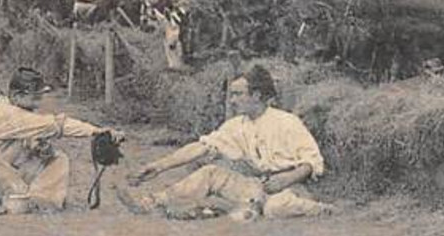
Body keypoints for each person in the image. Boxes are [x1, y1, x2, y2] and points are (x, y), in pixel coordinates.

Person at [117, 65, 332, 221]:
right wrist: (158, 166)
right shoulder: (236, 125)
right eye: (232, 95)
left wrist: (288, 178)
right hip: (257, 186)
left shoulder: (287, 122)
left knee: (275, 209)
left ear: (256, 95)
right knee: (211, 172)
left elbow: (312, 161)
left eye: (238, 94)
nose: (232, 100)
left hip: (292, 188)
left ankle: (321, 209)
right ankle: (150, 203)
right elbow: (201, 147)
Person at [0, 67, 112, 216]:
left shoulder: (19, 111)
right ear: (16, 96)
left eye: (39, 96)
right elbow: (58, 124)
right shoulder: (3, 112)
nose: (39, 101)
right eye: (34, 96)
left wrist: (40, 149)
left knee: (57, 157)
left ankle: (41, 200)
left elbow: (26, 141)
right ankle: (17, 202)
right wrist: (95, 131)